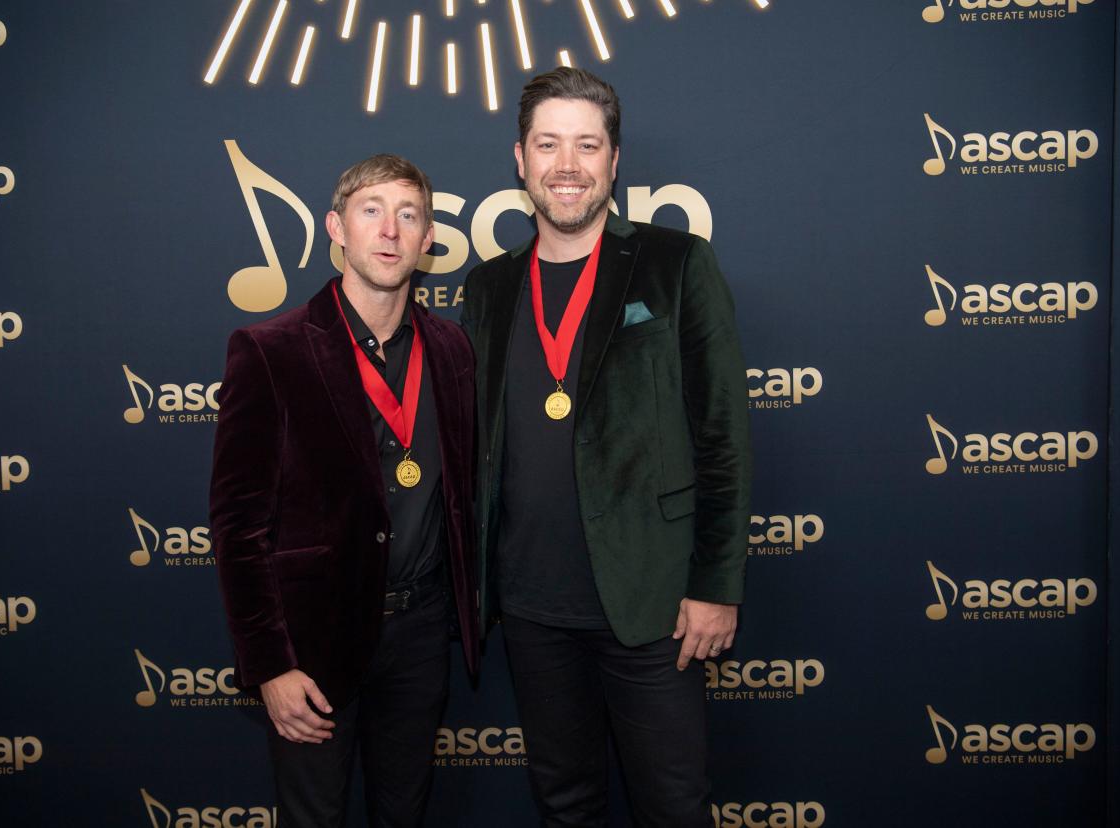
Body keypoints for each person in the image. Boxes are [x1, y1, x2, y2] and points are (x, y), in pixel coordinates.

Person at [461, 67, 752, 827]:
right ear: (519, 160)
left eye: (587, 144)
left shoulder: (675, 262)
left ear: (614, 161)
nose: (567, 164)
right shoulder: (486, 288)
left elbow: (722, 434)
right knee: (564, 805)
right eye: (548, 143)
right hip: (530, 606)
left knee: (673, 807)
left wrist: (716, 585)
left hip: (654, 604)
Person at [210, 154, 478, 828]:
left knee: (403, 814)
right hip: (314, 643)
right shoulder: (270, 349)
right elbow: (237, 526)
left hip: (420, 634)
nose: (390, 230)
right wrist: (270, 664)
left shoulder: (452, 350)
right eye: (371, 211)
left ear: (428, 240)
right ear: (337, 228)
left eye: (408, 215)